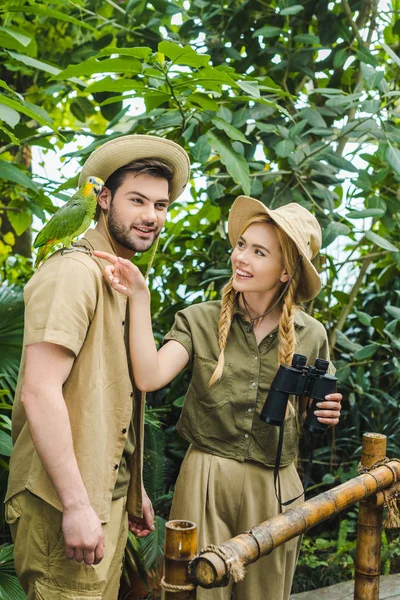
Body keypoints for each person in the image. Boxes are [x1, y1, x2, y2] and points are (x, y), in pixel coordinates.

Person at [94, 195, 342, 600]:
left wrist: (326, 411)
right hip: (206, 476)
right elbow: (150, 375)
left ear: (285, 272)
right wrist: (140, 296)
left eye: (258, 252)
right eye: (241, 245)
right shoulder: (199, 319)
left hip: (275, 484)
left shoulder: (312, 334)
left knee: (265, 592)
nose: (240, 258)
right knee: (196, 591)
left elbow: (311, 413)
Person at [5, 134, 190, 600]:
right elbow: (39, 391)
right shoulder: (73, 272)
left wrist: (131, 492)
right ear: (103, 199)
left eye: (161, 205)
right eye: (137, 200)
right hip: (63, 507)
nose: (151, 216)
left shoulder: (117, 276)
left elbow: (109, 395)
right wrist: (75, 505)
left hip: (103, 502)